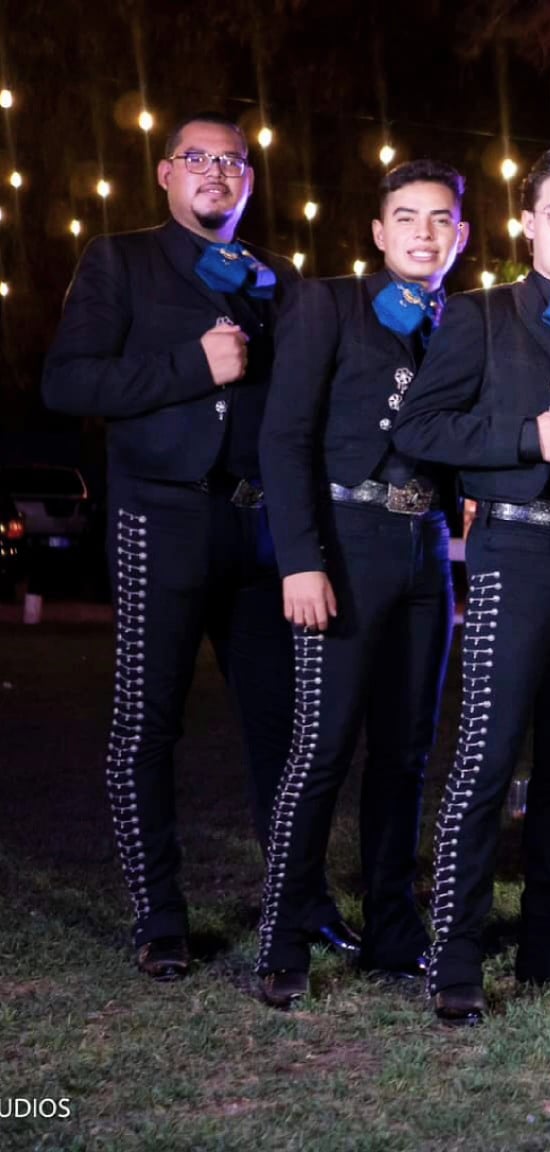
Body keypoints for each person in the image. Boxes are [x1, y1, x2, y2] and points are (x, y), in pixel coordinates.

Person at [41, 111, 348, 980]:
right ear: (166, 173)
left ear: (250, 178)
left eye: (233, 161)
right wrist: (190, 365)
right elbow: (67, 382)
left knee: (284, 730)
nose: (216, 172)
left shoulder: (279, 278)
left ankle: (300, 900)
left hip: (258, 530)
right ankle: (160, 917)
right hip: (162, 519)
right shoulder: (120, 260)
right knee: (148, 724)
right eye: (197, 158)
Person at [393, 145, 550, 1024]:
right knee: (486, 762)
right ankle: (455, 955)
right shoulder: (481, 315)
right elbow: (419, 427)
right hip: (515, 551)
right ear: (527, 222)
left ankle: (549, 941)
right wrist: (524, 437)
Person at [252, 159, 472, 1007]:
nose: (424, 232)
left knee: (406, 752)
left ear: (460, 235)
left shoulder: (465, 323)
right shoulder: (330, 303)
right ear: (379, 233)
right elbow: (285, 437)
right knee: (322, 747)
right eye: (406, 217)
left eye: (440, 218)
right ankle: (282, 938)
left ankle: (392, 930)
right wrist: (300, 559)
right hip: (344, 542)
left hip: (424, 548)